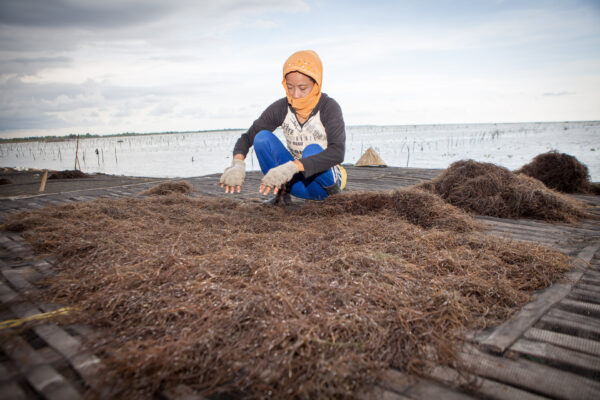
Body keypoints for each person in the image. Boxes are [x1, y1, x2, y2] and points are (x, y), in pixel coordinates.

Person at [219, 50, 346, 204]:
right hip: (295, 182)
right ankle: (281, 195)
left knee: (311, 150)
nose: (295, 94)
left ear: (316, 84)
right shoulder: (281, 107)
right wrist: (237, 163)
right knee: (262, 138)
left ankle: (335, 197)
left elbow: (337, 153)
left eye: (302, 88)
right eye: (290, 87)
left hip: (323, 187)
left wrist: (294, 166)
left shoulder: (329, 107)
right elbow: (248, 137)